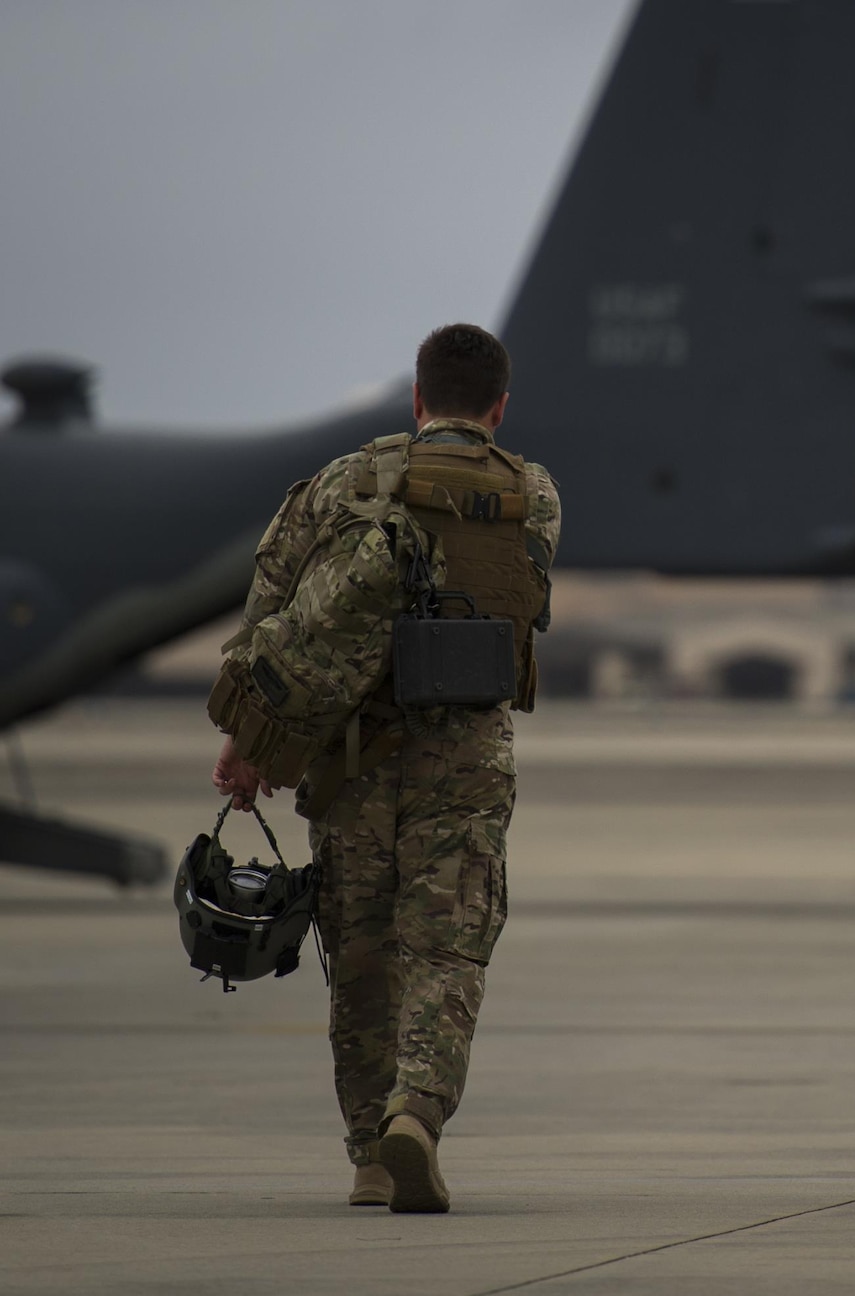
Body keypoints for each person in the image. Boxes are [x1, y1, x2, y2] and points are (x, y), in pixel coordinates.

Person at [211, 323, 561, 1214]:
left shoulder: (341, 484)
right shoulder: (535, 496)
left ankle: (368, 1154)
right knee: (448, 951)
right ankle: (418, 1110)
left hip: (353, 761)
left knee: (360, 953)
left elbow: (270, 615)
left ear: (415, 399)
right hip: (467, 762)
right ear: (499, 406)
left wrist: (249, 745)